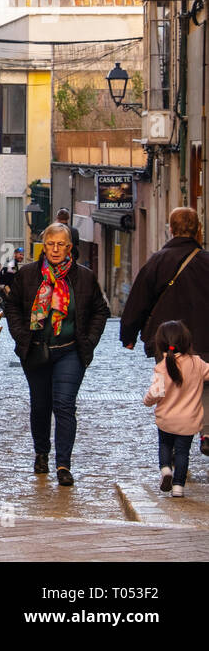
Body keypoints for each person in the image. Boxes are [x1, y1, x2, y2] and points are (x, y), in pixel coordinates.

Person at [3, 222, 110, 486]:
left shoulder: (83, 277)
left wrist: (90, 340)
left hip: (70, 352)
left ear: (70, 248)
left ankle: (63, 464)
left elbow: (100, 311)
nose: (55, 249)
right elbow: (12, 306)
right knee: (41, 405)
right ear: (44, 246)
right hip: (36, 351)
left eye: (61, 244)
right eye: (50, 244)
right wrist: (21, 335)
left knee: (64, 405)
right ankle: (41, 452)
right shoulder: (28, 274)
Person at [120, 207, 209, 455]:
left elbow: (139, 299)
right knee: (205, 384)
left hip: (167, 338)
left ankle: (172, 443)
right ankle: (207, 432)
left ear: (171, 228)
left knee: (170, 382)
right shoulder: (206, 261)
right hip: (204, 338)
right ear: (197, 229)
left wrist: (128, 335)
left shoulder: (158, 260)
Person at [143, 321, 209, 498]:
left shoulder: (162, 367)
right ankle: (178, 487)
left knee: (165, 445)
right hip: (189, 420)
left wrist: (147, 401)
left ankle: (165, 470)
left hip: (166, 419)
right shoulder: (197, 363)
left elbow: (155, 394)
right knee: (182, 453)